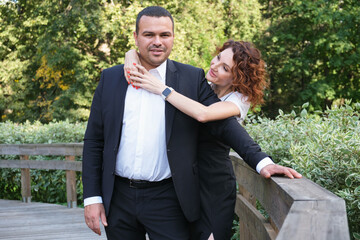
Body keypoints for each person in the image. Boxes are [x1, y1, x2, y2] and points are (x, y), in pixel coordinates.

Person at [82, 6, 301, 240]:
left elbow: (224, 125)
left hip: (168, 199)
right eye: (149, 35)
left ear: (173, 38)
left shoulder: (190, 79)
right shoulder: (111, 77)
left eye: (164, 35)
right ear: (136, 37)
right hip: (118, 198)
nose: (157, 41)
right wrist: (92, 198)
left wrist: (262, 162)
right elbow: (95, 140)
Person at [125, 40, 279, 239]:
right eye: (217, 58)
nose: (214, 66)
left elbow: (204, 114)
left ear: (237, 77)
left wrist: (162, 89)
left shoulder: (239, 100)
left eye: (225, 68)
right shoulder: (202, 87)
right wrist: (131, 54)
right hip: (184, 184)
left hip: (214, 187)